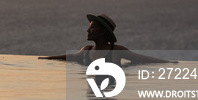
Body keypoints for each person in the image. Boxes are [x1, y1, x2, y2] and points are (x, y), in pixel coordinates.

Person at [38, 13, 177, 64]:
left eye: (92, 27)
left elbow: (142, 58)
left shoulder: (116, 50)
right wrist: (46, 58)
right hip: (92, 94)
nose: (88, 30)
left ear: (103, 32)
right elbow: (69, 57)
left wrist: (168, 62)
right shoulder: (86, 50)